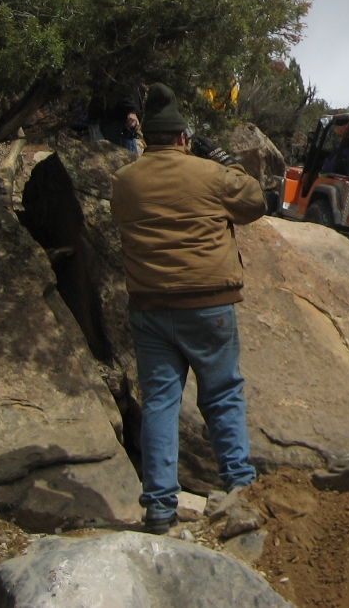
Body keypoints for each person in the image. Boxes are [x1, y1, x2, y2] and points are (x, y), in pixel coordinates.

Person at [110, 84, 268, 533]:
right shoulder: (210, 176)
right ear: (183, 136)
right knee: (221, 395)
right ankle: (239, 488)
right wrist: (224, 164)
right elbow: (255, 202)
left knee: (160, 401)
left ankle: (160, 507)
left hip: (150, 308)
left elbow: (121, 219)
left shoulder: (124, 181)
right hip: (209, 306)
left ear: (149, 139)